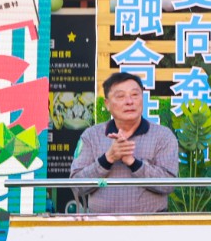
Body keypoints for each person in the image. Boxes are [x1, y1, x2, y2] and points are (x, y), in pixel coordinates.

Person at [68, 72, 179, 213]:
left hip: (150, 222)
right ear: (107, 104)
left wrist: (134, 163)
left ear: (142, 98)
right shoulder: (91, 136)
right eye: (120, 96)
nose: (129, 102)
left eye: (135, 95)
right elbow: (77, 186)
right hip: (102, 222)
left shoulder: (163, 136)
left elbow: (168, 185)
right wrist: (107, 159)